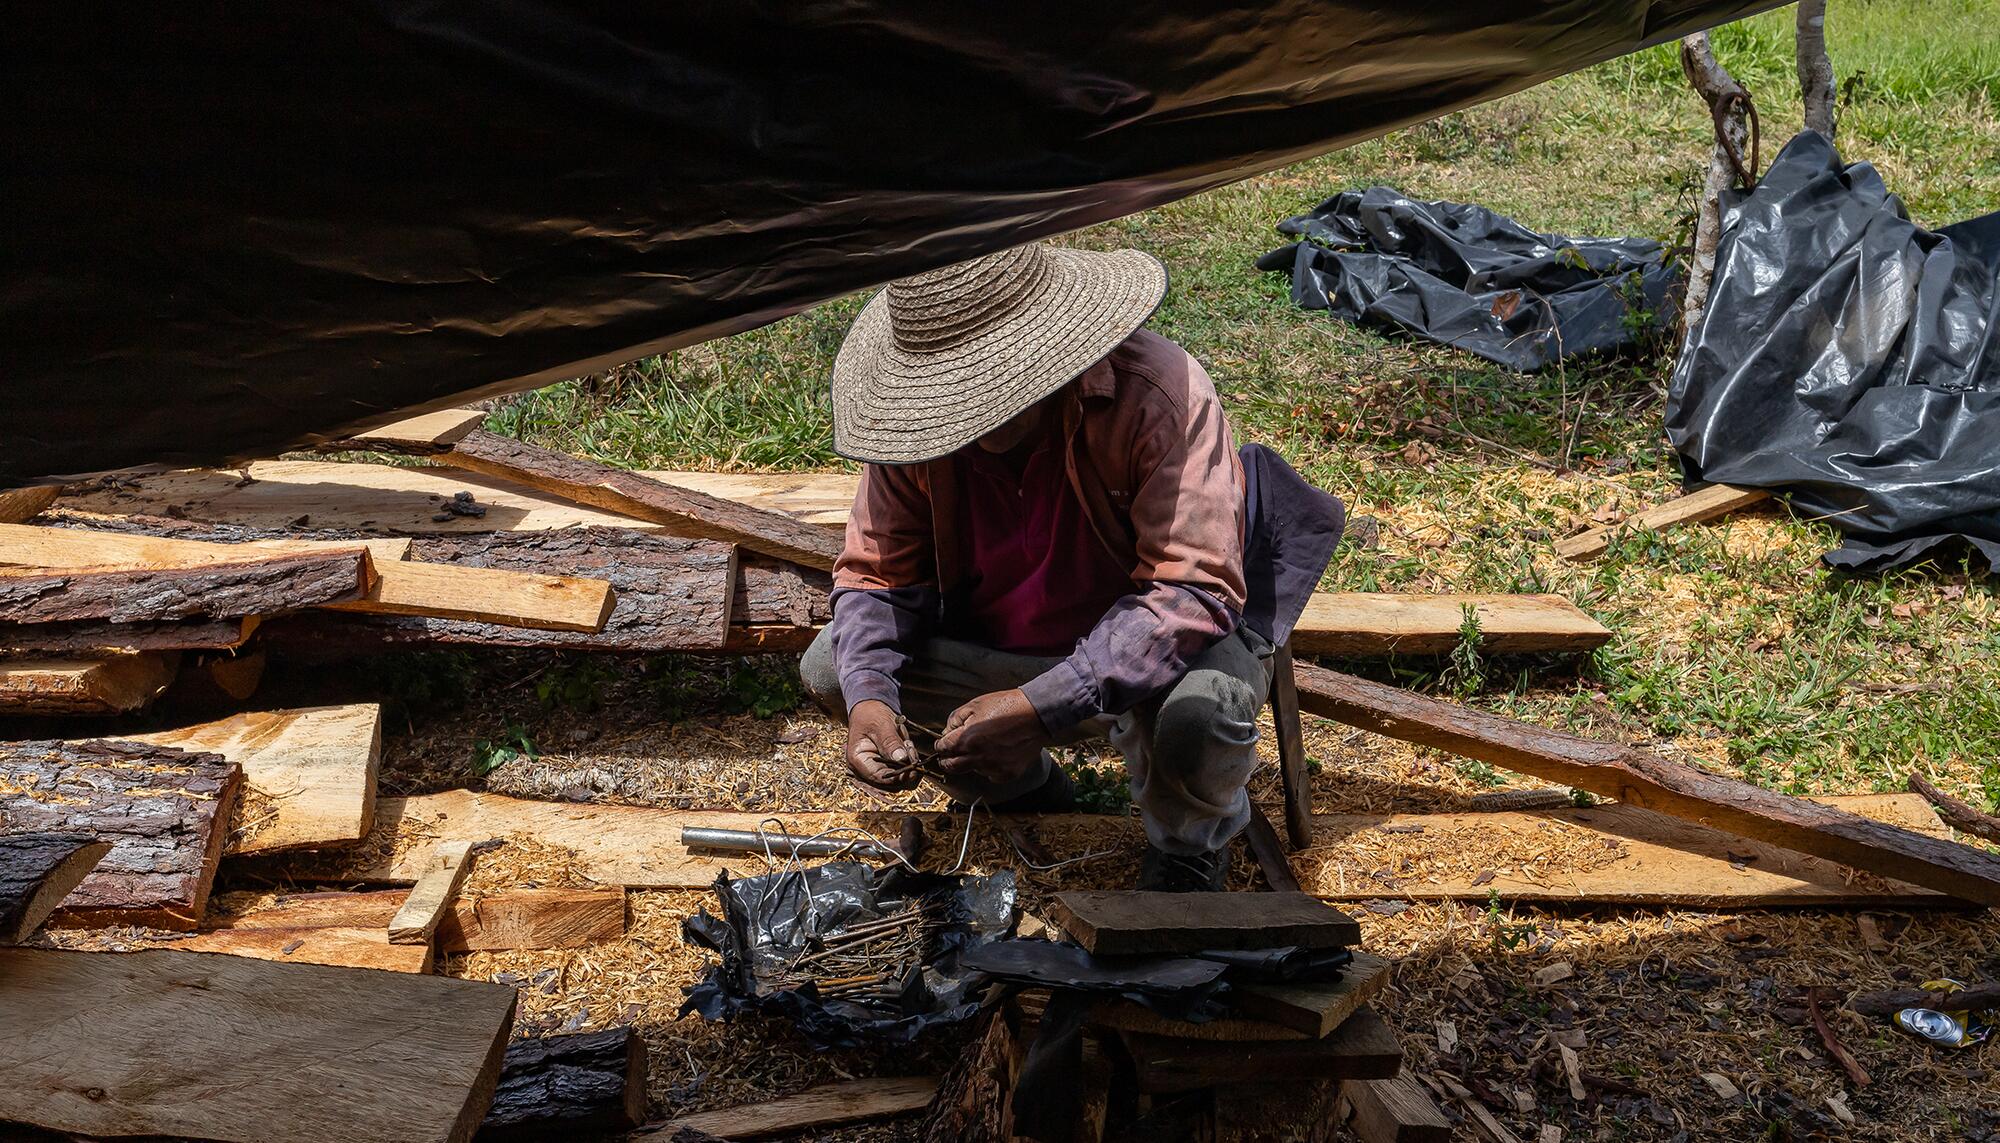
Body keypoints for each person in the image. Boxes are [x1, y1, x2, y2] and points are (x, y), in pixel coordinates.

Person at [800, 241, 1342, 891]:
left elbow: (1192, 593)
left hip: (1158, 655)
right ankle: (1015, 788)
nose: (974, 421)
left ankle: (1187, 843)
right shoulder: (914, 427)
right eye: (954, 399)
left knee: (1200, 716)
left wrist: (1042, 705)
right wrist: (868, 697)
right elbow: (878, 576)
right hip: (1001, 648)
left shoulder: (1158, 394)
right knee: (836, 667)